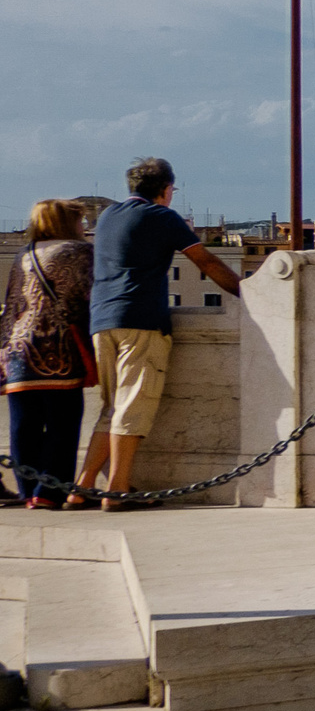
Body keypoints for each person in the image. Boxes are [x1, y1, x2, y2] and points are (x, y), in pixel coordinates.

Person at [77, 158, 240, 510]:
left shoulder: (107, 217)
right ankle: (118, 490)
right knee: (132, 407)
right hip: (140, 319)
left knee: (112, 407)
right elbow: (206, 262)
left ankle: (83, 486)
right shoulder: (162, 217)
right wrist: (248, 291)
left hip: (102, 319)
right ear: (166, 190)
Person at [2, 201, 97, 508]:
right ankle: (50, 491)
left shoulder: (24, 253)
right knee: (63, 422)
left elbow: (12, 304)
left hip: (17, 350)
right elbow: (88, 296)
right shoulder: (77, 251)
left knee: (23, 425)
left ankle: (28, 491)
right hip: (58, 347)